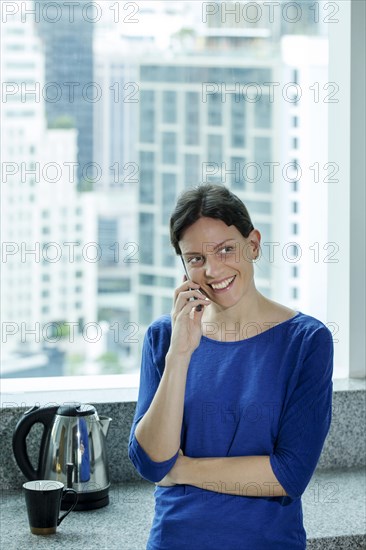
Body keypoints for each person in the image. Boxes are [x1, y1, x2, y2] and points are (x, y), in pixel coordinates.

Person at [129, 184, 333, 550]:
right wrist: (180, 355)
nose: (212, 269)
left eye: (226, 249)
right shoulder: (165, 337)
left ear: (253, 244)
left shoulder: (306, 342)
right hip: (175, 541)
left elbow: (289, 474)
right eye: (195, 258)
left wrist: (183, 469)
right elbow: (151, 463)